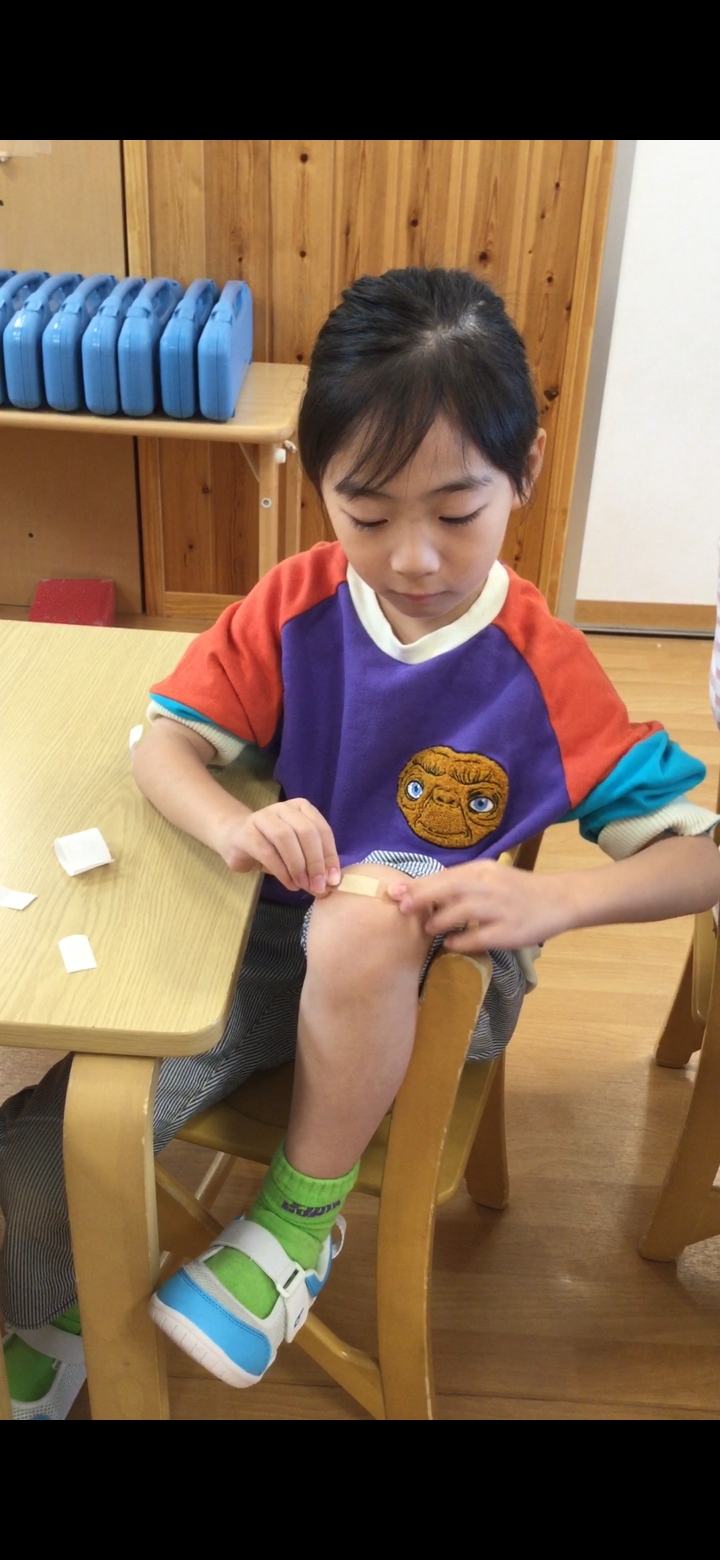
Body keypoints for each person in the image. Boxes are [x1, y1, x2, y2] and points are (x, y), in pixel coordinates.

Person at [3, 268, 719, 1418]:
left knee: (365, 912)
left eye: (457, 512)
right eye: (369, 515)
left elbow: (703, 854)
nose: (415, 558)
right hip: (260, 951)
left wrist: (555, 903)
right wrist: (240, 823)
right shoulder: (297, 604)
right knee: (57, 1153)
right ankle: (63, 1300)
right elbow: (162, 747)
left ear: (526, 470)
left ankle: (297, 1224)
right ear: (319, 485)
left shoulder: (545, 668)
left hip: (438, 979)